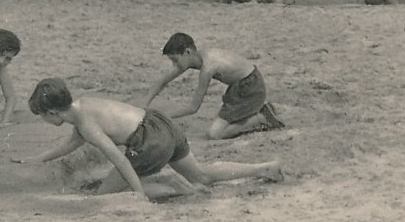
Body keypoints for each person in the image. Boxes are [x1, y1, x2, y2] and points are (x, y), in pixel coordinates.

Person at [18, 78, 282, 201]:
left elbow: (120, 159)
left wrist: (137, 194)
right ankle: (262, 168)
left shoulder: (86, 124)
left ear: (52, 112)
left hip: (148, 141)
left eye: (42, 117)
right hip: (161, 123)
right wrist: (38, 158)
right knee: (201, 175)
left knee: (103, 196)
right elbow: (72, 143)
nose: (44, 121)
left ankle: (169, 183)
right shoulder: (83, 106)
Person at [141, 32, 285, 139]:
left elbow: (193, 108)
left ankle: (263, 118)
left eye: (175, 60)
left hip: (251, 88)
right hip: (238, 87)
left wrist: (160, 117)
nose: (174, 65)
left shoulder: (208, 67)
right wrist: (144, 106)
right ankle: (256, 113)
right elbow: (162, 81)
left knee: (214, 134)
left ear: (187, 52)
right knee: (221, 126)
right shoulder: (194, 58)